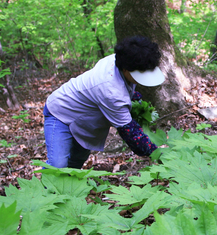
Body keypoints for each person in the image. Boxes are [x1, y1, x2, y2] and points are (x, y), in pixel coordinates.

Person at [43, 35, 165, 169]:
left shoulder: (123, 59)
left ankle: (67, 189)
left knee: (75, 164)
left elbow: (127, 92)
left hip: (85, 121)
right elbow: (132, 135)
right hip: (60, 112)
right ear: (125, 69)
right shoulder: (110, 90)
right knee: (57, 165)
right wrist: (160, 155)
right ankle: (44, 190)